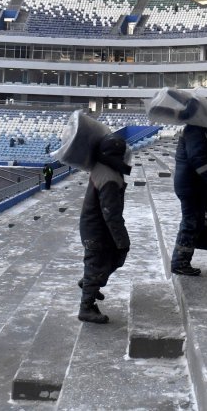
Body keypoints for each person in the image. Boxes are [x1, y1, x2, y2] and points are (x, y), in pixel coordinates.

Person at [77, 134, 131, 323]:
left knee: (101, 262)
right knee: (103, 261)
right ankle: (86, 307)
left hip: (94, 228)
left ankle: (90, 282)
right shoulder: (108, 177)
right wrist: (122, 240)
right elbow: (111, 214)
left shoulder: (104, 168)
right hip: (97, 231)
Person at [171, 124, 207, 276]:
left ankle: (201, 240)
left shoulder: (203, 130)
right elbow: (196, 157)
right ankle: (179, 262)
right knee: (191, 222)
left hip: (198, 184)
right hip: (190, 185)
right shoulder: (193, 130)